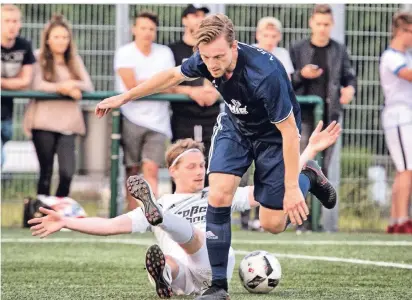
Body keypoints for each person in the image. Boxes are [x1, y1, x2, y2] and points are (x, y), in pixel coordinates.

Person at [94, 14, 338, 299]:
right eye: (206, 58)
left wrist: (294, 188)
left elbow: (289, 133)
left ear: (234, 46)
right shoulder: (207, 57)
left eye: (219, 56)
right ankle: (218, 287)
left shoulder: (266, 74)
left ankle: (307, 176)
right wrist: (124, 97)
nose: (212, 64)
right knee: (218, 196)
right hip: (235, 128)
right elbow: (171, 76)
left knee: (272, 224)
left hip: (273, 137)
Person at [28, 121, 341, 298]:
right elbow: (111, 225)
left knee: (193, 235)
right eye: (191, 166)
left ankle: (164, 229)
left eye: (202, 165)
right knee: (168, 264)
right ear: (172, 170)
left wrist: (309, 151)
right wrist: (67, 222)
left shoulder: (218, 193)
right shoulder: (163, 200)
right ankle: (162, 275)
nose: (199, 171)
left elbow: (271, 191)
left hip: (212, 260)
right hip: (184, 276)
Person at [23, 14, 94, 197]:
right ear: (47, 39)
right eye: (56, 37)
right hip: (43, 122)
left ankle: (59, 212)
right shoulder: (38, 57)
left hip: (68, 124)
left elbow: (88, 85)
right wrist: (63, 88)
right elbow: (37, 84)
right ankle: (39, 215)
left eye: (65, 37)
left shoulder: (74, 60)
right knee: (45, 173)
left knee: (67, 172)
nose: (61, 41)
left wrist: (72, 86)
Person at [114, 12, 176, 209]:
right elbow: (131, 85)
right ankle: (133, 215)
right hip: (130, 118)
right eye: (143, 28)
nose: (147, 33)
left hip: (158, 122)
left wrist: (145, 84)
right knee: (132, 170)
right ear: (134, 29)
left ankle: (151, 214)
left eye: (151, 29)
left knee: (151, 168)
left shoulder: (164, 53)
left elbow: (171, 85)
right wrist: (156, 83)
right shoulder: (124, 52)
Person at [168, 4, 221, 190]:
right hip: (183, 117)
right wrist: (191, 92)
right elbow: (165, 84)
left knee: (210, 169)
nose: (199, 19)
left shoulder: (214, 49)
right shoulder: (172, 50)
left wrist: (214, 90)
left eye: (202, 16)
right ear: (184, 19)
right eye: (194, 15)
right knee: (182, 167)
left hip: (211, 117)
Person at [379, 11, 412, 234]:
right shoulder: (391, 56)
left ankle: (396, 219)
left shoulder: (406, 55)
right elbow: (407, 75)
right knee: (407, 169)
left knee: (404, 170)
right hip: (400, 116)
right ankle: (401, 220)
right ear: (403, 30)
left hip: (405, 116)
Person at [1, 4, 35, 167]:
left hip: (7, 113)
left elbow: (25, 81)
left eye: (15, 21)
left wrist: (2, 83)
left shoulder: (24, 46)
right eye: (7, 21)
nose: (12, 25)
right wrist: (13, 83)